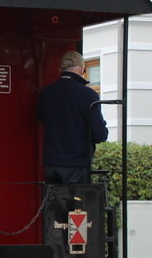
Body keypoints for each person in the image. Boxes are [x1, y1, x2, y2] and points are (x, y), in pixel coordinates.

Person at [37, 51, 107, 184]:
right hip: (76, 162)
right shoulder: (87, 94)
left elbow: (41, 117)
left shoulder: (46, 93)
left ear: (60, 69)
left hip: (51, 162)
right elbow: (99, 134)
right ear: (82, 69)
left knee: (54, 202)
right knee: (76, 202)